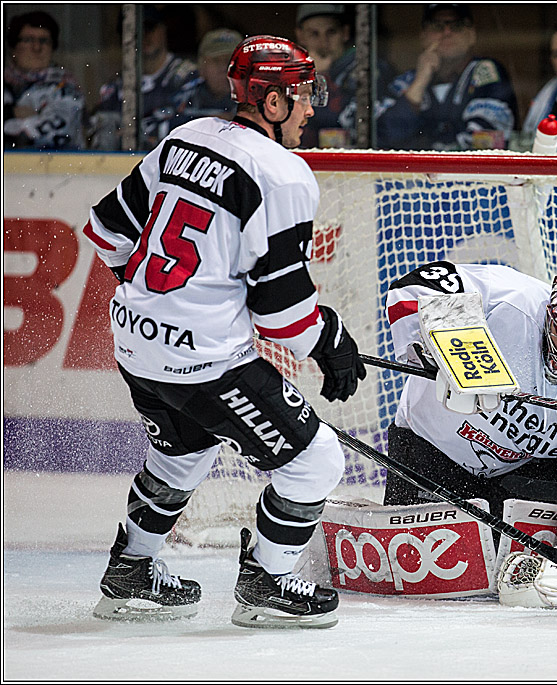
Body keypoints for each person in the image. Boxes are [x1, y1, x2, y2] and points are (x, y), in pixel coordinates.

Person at [83, 35, 367, 629]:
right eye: (302, 95)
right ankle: (268, 581)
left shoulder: (184, 138)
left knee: (182, 451)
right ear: (269, 102)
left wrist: (165, 300)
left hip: (134, 341)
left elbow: (106, 230)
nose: (312, 107)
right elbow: (284, 317)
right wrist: (333, 344)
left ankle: (131, 571)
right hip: (205, 359)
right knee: (315, 461)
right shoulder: (283, 173)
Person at [383, 262, 557, 608]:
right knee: (415, 567)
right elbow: (415, 286)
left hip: (512, 478)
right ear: (550, 308)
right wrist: (447, 355)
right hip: (428, 453)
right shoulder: (508, 296)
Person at [377, 4, 518, 151]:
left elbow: (485, 144)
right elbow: (382, 139)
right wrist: (420, 82)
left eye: (457, 25)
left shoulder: (485, 72)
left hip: (464, 174)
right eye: (437, 26)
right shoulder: (406, 81)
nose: (447, 32)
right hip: (415, 173)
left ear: (471, 35)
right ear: (423, 36)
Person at [88, 6, 199, 150]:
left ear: (163, 30)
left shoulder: (188, 77)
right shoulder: (115, 87)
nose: (143, 36)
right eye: (133, 31)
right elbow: (96, 131)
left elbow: (193, 129)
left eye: (149, 28)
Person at [293, 3, 397, 148]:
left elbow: (346, 122)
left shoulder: (367, 69)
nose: (323, 43)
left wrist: (320, 77)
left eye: (331, 32)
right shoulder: (290, 73)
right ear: (300, 35)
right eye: (314, 34)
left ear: (345, 33)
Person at [3, 10, 84, 150]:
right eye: (28, 40)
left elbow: (55, 134)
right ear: (13, 48)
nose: (36, 47)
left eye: (44, 41)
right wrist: (12, 113)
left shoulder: (64, 87)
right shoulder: (5, 84)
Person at [170, 28, 242, 128]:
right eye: (216, 60)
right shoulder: (183, 99)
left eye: (230, 60)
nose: (223, 68)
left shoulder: (254, 102)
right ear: (201, 66)